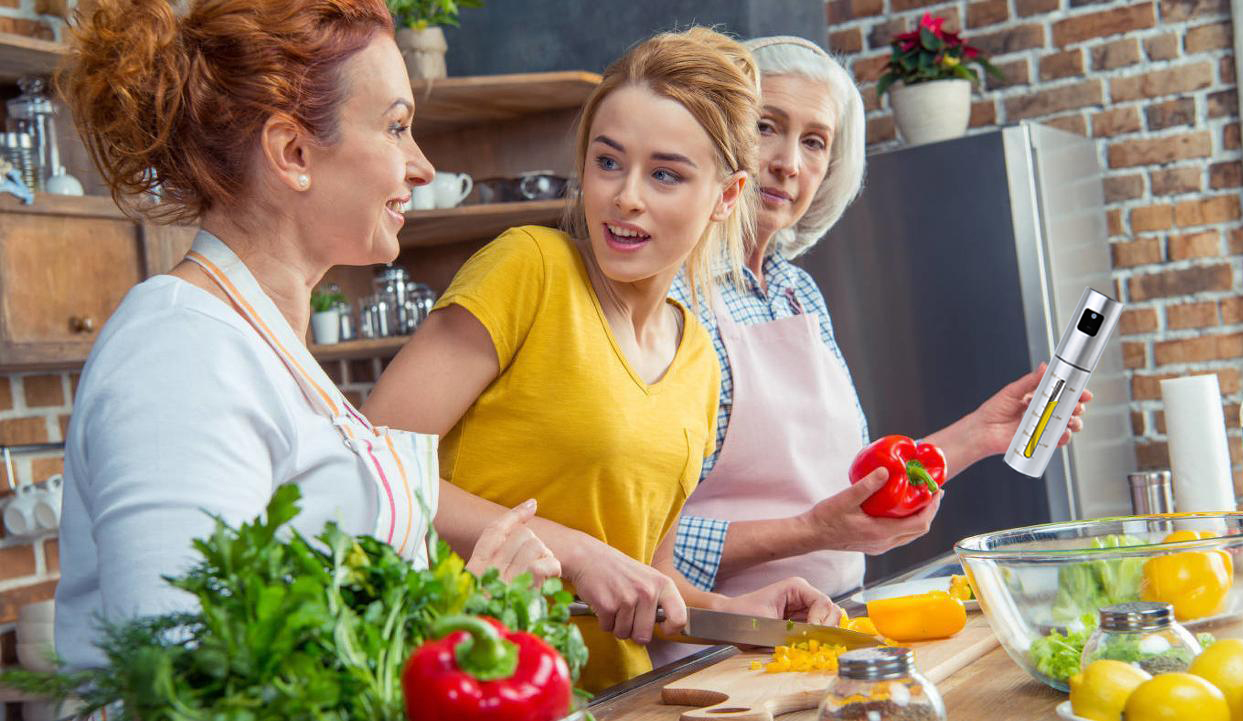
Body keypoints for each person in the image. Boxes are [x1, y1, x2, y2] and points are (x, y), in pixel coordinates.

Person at [54, 0, 556, 670]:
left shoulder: (264, 346)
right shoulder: (179, 353)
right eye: (397, 128)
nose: (422, 167)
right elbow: (191, 678)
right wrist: (470, 626)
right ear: (292, 152)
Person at [363, 28, 841, 692]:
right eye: (608, 161)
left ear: (727, 196)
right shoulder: (529, 268)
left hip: (614, 696)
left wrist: (735, 612)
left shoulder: (699, 361)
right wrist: (577, 552)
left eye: (665, 173)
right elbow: (367, 462)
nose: (626, 197)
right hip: (470, 679)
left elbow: (649, 580)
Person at [664, 35, 1091, 603]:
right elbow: (640, 541)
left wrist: (980, 434)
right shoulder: (672, 292)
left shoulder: (797, 292)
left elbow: (853, 487)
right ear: (719, 134)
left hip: (828, 623)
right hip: (714, 648)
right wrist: (812, 533)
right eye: (766, 126)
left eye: (814, 142)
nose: (789, 163)